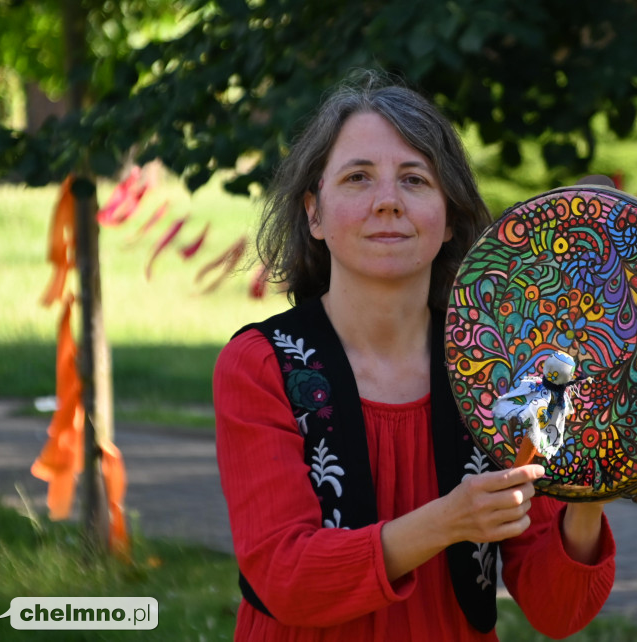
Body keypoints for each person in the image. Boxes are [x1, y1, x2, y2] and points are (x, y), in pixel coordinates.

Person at [213, 72, 616, 642]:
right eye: (358, 178)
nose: (387, 202)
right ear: (314, 214)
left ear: (448, 216)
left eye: (414, 179)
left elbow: (558, 612)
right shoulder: (262, 365)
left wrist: (591, 492)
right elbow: (286, 576)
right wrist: (448, 522)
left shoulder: (504, 374)